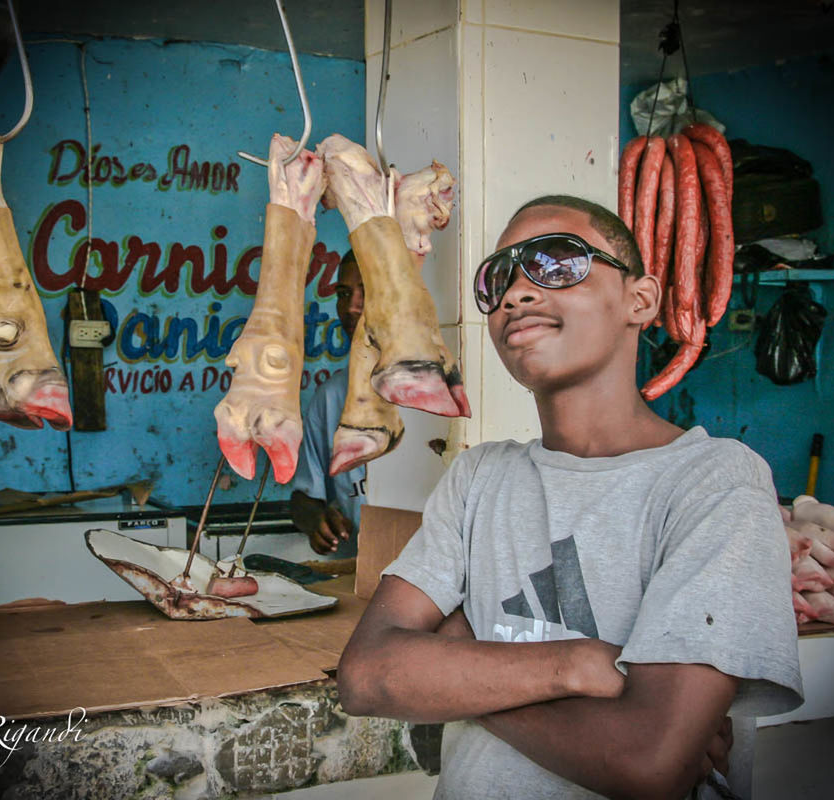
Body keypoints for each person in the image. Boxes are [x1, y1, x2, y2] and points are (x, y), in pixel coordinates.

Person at [336, 196, 803, 799]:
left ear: (642, 300)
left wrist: (455, 667)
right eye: (497, 279)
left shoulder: (714, 481)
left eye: (559, 263)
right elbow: (367, 675)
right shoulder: (479, 477)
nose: (516, 293)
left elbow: (646, 762)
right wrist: (577, 664)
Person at [290, 250, 367, 558]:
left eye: (367, 291)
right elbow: (304, 497)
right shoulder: (332, 396)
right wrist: (317, 521)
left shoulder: (428, 390)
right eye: (344, 293)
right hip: (359, 571)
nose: (351, 307)